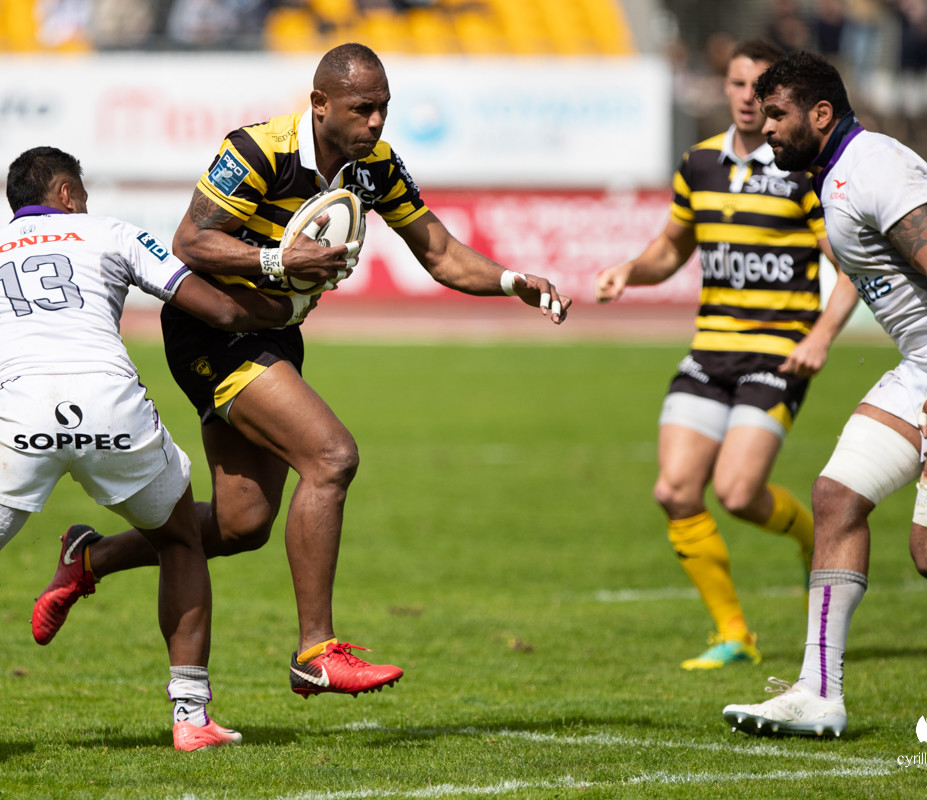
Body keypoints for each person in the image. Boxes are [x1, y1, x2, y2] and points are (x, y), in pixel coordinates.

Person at [29, 42, 571, 699]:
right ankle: (316, 650)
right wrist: (279, 264)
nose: (376, 123)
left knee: (242, 523)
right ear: (319, 104)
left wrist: (513, 280)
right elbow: (190, 241)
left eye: (383, 109)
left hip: (275, 335)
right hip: (214, 327)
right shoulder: (259, 151)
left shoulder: (376, 167)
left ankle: (89, 558)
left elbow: (441, 252)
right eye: (362, 109)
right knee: (331, 456)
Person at [0, 146, 315, 762]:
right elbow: (223, 309)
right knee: (180, 542)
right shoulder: (110, 233)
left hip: (18, 414)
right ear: (68, 192)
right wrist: (290, 305)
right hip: (113, 408)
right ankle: (191, 715)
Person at [722, 51, 927, 738]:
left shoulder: (876, 164)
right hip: (925, 363)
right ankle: (819, 690)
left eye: (780, 115)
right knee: (835, 497)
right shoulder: (832, 176)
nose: (767, 128)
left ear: (821, 114)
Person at [595, 39, 860, 671]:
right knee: (674, 489)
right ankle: (734, 633)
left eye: (761, 90)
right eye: (739, 85)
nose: (749, 98)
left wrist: (821, 334)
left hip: (778, 356)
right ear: (725, 88)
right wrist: (629, 271)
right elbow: (671, 249)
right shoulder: (699, 164)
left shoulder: (801, 169)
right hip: (709, 354)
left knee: (739, 494)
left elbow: (850, 266)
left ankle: (810, 543)